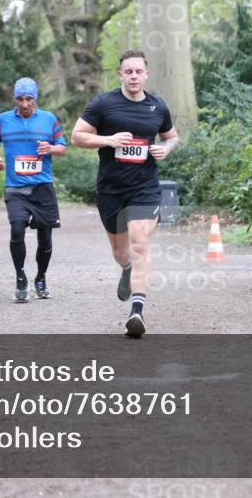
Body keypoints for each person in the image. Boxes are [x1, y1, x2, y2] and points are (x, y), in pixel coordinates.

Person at [71, 50, 178, 337]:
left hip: (145, 187)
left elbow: (172, 137)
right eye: (127, 72)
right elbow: (77, 136)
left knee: (140, 242)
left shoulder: (158, 106)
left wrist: (164, 149)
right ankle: (126, 268)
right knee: (120, 251)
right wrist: (108, 139)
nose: (133, 76)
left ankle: (137, 311)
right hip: (110, 189)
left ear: (146, 74)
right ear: (120, 75)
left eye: (138, 71)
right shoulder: (104, 104)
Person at [0, 78, 67, 303]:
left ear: (36, 99)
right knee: (16, 230)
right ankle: (20, 277)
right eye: (20, 99)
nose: (24, 104)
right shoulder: (3, 120)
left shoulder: (48, 119)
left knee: (45, 239)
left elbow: (63, 148)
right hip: (15, 187)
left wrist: (51, 148)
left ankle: (41, 278)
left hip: (42, 187)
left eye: (29, 99)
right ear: (15, 99)